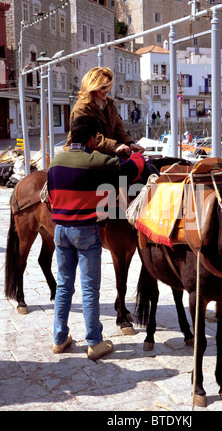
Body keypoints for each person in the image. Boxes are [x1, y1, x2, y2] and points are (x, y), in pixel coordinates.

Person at [48, 115, 145, 360]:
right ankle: (94, 342)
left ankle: (59, 339)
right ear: (93, 139)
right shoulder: (97, 161)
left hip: (60, 231)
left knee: (64, 285)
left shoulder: (55, 162)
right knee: (90, 288)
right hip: (86, 231)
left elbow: (50, 197)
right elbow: (134, 170)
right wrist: (135, 153)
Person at [64, 67, 144, 155]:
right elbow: (89, 136)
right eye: (103, 87)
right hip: (84, 154)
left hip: (105, 153)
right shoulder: (81, 108)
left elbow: (118, 129)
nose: (107, 91)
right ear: (92, 87)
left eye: (109, 86)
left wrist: (130, 143)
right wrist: (114, 146)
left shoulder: (110, 105)